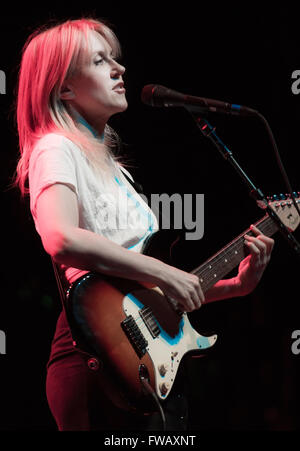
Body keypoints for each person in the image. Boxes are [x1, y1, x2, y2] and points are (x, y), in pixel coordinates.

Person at [13, 17, 274, 431]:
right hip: (95, 360)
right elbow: (59, 236)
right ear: (63, 88)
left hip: (139, 361)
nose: (120, 70)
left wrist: (234, 287)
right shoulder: (55, 147)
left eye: (115, 59)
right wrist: (165, 271)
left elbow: (149, 298)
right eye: (101, 61)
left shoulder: (115, 170)